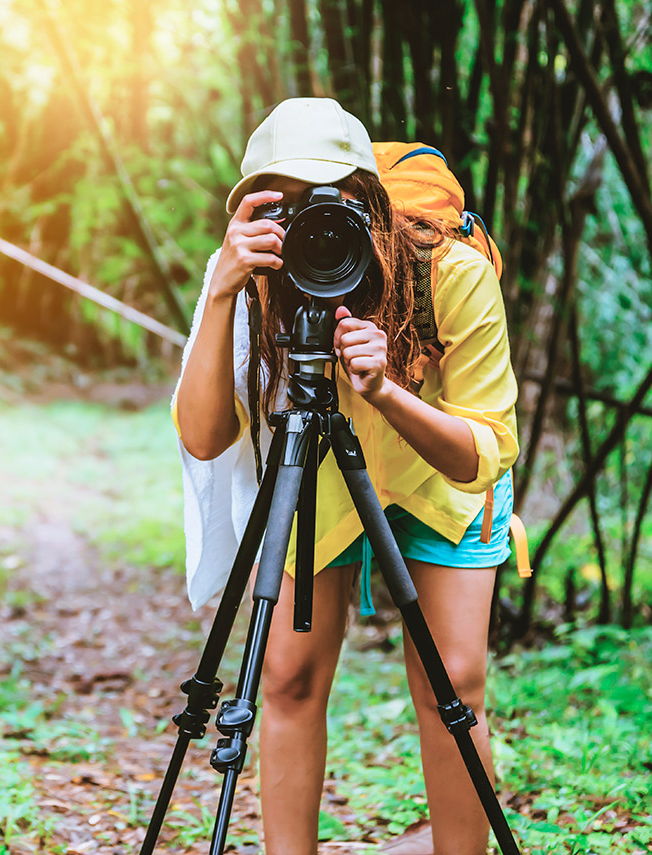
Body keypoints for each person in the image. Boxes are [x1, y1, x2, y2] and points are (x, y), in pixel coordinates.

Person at [172, 98, 519, 855]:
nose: (310, 225)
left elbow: (482, 452)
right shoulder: (253, 270)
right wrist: (224, 287)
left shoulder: (449, 271)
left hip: (439, 479)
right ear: (254, 204)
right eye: (284, 201)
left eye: (331, 201)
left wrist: (385, 389)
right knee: (289, 677)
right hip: (319, 469)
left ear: (371, 199)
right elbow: (204, 437)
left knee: (452, 682)